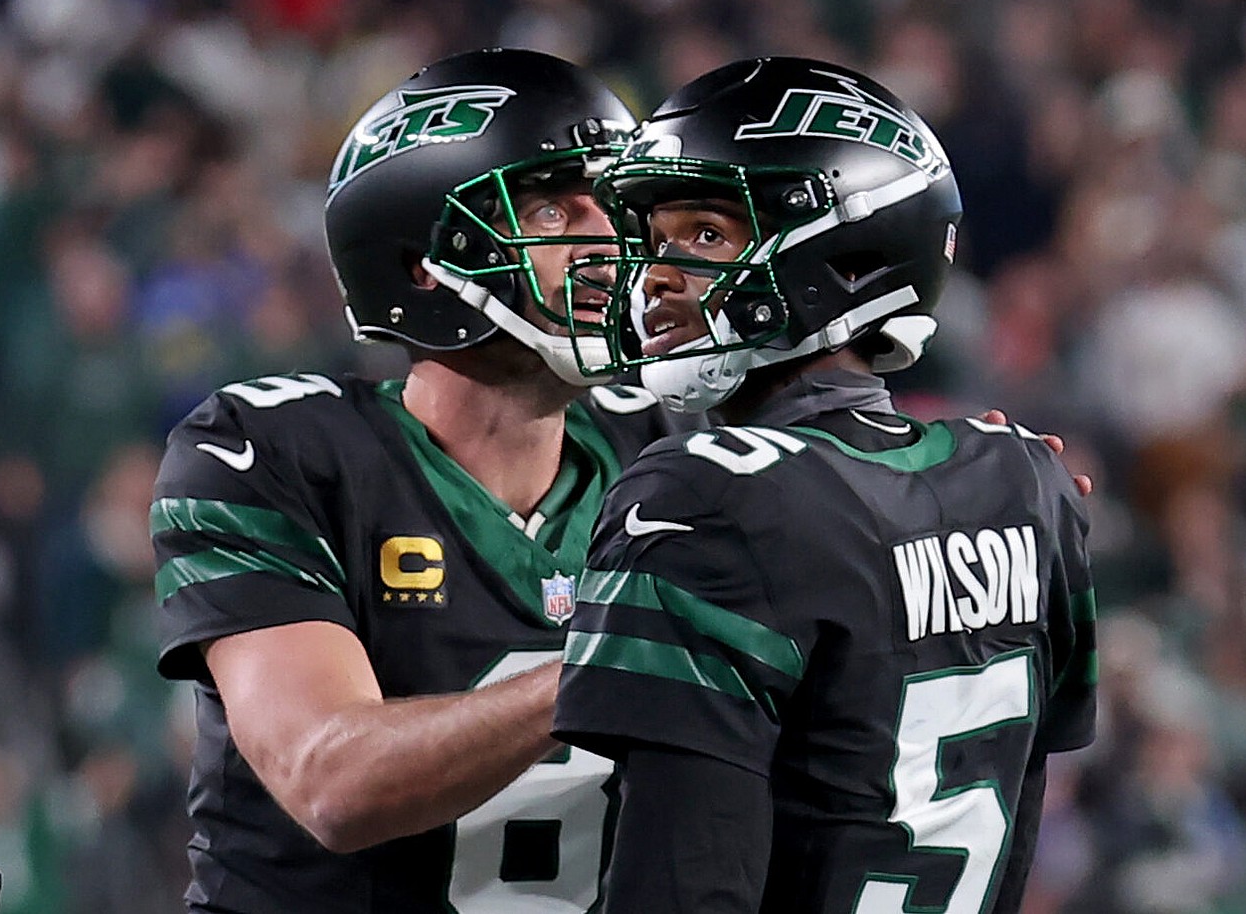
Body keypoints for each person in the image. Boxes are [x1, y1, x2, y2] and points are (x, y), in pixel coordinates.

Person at [149, 48, 692, 913]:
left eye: (613, 206)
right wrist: (618, 656)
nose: (608, 240)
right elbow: (331, 781)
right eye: (554, 209)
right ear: (424, 265)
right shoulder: (270, 451)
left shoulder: (671, 451)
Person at [552, 57, 1098, 913]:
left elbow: (680, 885)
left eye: (705, 235)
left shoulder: (703, 495)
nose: (655, 273)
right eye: (656, 239)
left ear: (847, 257)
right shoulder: (1026, 476)